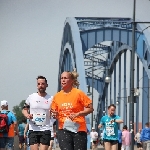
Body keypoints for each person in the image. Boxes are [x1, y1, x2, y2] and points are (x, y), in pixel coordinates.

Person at [51, 70, 94, 150]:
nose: (63, 80)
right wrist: (54, 114)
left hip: (79, 129)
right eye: (61, 78)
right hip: (64, 129)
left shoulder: (78, 93)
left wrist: (78, 113)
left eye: (65, 78)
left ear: (71, 81)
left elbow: (90, 108)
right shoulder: (57, 96)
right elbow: (55, 114)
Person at [22, 75, 53, 150]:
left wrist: (53, 113)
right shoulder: (31, 97)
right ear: (37, 86)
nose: (40, 86)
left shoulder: (51, 98)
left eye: (42, 84)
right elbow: (24, 109)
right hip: (33, 129)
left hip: (45, 129)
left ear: (46, 85)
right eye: (39, 84)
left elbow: (54, 112)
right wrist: (27, 115)